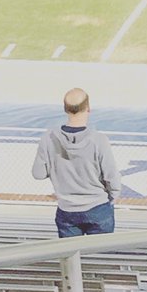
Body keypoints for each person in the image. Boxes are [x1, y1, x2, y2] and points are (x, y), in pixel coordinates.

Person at [32, 88, 121, 237]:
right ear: (88, 108)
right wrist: (111, 199)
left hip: (67, 209)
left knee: (71, 256)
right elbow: (112, 178)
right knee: (99, 253)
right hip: (98, 207)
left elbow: (38, 174)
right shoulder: (99, 140)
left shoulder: (48, 138)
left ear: (65, 108)